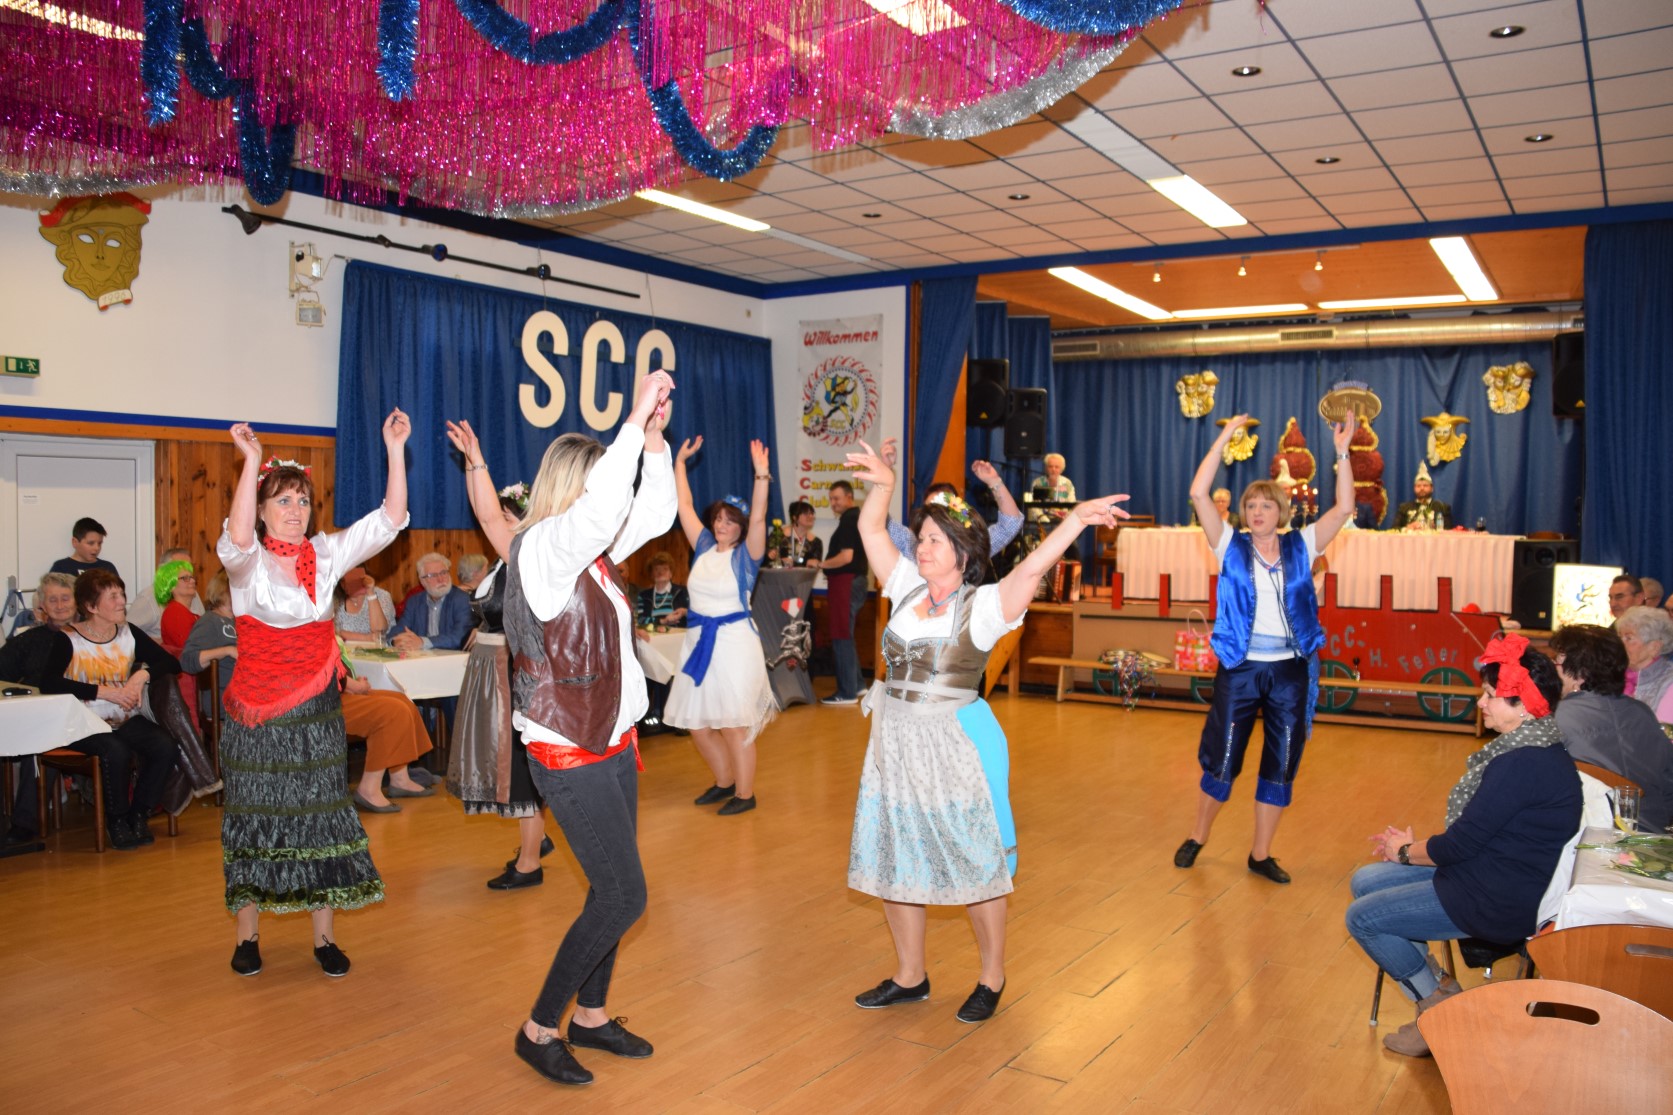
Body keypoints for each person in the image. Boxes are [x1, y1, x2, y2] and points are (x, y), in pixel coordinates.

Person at [843, 439, 1129, 1024]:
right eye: (921, 537)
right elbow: (871, 528)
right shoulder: (906, 586)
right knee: (897, 855)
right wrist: (884, 485)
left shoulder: (987, 605)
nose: (921, 547)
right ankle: (910, 975)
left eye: (934, 540)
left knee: (977, 862)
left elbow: (1033, 566)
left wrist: (1076, 519)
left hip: (954, 745)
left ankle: (991, 976)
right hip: (894, 743)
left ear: (963, 552)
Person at [504, 371, 675, 1087]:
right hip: (568, 749)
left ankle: (593, 1015)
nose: (616, 493)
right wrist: (633, 417)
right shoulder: (546, 545)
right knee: (624, 894)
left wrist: (655, 441)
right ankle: (539, 1027)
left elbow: (656, 513)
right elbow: (605, 509)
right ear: (575, 485)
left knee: (610, 887)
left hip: (611, 742)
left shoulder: (591, 554)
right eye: (604, 479)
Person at [216, 415, 409, 980]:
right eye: (282, 500)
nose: (295, 509)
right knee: (255, 816)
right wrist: (252, 462)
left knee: (320, 816)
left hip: (316, 711)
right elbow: (238, 534)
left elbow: (390, 519)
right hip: (257, 716)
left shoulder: (326, 554)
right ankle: (247, 937)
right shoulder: (246, 561)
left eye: (302, 500)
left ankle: (324, 939)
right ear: (262, 508)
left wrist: (395, 449)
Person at [1348, 634, 1581, 1058]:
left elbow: (1459, 844)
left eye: (1491, 695)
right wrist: (1410, 849)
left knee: (1362, 919)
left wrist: (1406, 851)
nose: (1481, 703)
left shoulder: (1521, 763)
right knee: (1366, 880)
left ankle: (1435, 1008)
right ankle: (1438, 984)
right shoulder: (1534, 745)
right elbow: (1473, 839)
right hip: (1494, 874)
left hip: (1497, 898)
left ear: (1524, 705)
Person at [1174, 415, 1356, 885]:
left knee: (1282, 759)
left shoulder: (1303, 545)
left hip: (1290, 671)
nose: (1257, 512)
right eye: (1250, 505)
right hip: (1241, 668)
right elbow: (1198, 493)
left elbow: (1344, 507)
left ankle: (1260, 854)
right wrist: (1223, 438)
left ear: (1281, 511)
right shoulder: (1228, 545)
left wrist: (1341, 451)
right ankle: (1197, 835)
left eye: (1266, 505)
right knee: (1224, 756)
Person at [442, 418, 554, 890]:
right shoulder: (499, 565)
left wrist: (476, 461)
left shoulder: (525, 559)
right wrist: (472, 464)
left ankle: (530, 863)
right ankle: (535, 843)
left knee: (520, 769)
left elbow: (486, 517)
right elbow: (484, 516)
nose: (497, 522)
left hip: (513, 673)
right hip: (492, 669)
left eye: (509, 517)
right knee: (507, 765)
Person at [665, 436, 775, 815]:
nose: (721, 524)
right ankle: (724, 781)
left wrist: (761, 475)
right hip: (699, 643)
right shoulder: (703, 547)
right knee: (697, 725)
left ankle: (745, 794)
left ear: (740, 527)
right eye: (718, 519)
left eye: (729, 521)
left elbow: (759, 517)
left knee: (733, 725)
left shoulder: (747, 556)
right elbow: (684, 505)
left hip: (733, 644)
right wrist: (680, 464)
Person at [40, 569, 184, 849]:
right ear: (91, 606)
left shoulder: (129, 632)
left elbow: (171, 663)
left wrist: (141, 676)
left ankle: (138, 814)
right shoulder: (68, 638)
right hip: (82, 721)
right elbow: (49, 683)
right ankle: (116, 820)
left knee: (165, 746)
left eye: (121, 594)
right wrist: (104, 692)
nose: (121, 602)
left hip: (123, 717)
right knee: (116, 751)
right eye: (113, 597)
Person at [1549, 624, 1673, 832]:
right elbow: (1668, 781)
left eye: (1558, 661)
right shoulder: (1642, 712)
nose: (1553, 667)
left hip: (1589, 833)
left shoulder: (1557, 716)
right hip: (1651, 834)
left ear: (1581, 674)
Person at [0, 572, 79, 845]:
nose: (59, 605)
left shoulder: (91, 635)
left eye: (65, 598)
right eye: (52, 600)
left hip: (84, 714)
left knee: (41, 742)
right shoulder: (29, 640)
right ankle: (21, 822)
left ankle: (25, 822)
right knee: (37, 738)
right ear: (42, 605)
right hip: (40, 716)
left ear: (77, 601)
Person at [878, 440, 1024, 559]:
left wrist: (994, 482)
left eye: (943, 510)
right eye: (930, 512)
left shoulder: (969, 547)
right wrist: (884, 474)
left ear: (958, 514)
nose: (937, 518)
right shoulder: (912, 545)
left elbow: (1010, 524)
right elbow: (878, 521)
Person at [822, 479, 868, 706]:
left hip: (846, 582)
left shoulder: (850, 519)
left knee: (841, 635)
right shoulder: (853, 518)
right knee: (845, 635)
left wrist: (821, 564)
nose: (833, 503)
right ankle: (857, 685)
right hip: (851, 582)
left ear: (849, 497)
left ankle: (846, 692)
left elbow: (846, 557)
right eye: (831, 499)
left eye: (837, 498)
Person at [635, 552, 688, 736]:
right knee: (654, 674)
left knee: (678, 676)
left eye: (664, 569)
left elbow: (694, 614)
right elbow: (642, 620)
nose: (660, 573)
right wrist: (664, 621)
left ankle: (678, 719)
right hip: (653, 644)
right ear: (651, 573)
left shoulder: (682, 592)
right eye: (656, 570)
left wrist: (684, 612)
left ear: (671, 572)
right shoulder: (644, 595)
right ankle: (656, 716)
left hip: (679, 643)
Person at [388, 553, 473, 652]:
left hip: (451, 658)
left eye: (443, 573)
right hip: (421, 657)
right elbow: (399, 630)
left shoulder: (462, 599)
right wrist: (396, 641)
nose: (440, 579)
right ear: (422, 581)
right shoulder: (414, 602)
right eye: (433, 575)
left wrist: (422, 642)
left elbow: (460, 637)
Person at [155, 556, 201, 729]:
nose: (192, 581)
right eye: (185, 578)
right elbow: (189, 648)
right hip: (185, 680)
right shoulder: (175, 612)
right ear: (171, 586)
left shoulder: (188, 613)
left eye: (192, 577)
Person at [180, 570, 239, 701]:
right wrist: (227, 650)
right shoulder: (210, 621)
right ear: (223, 591)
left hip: (249, 694)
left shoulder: (241, 621)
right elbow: (187, 660)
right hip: (227, 700)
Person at [128, 545, 202, 639]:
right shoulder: (148, 597)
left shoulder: (192, 594)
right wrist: (160, 643)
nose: (190, 578)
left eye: (189, 567)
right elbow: (127, 633)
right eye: (179, 567)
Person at [1617, 605, 1673, 722]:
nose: (1619, 644)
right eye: (1620, 637)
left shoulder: (1669, 682)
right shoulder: (1612, 675)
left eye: (1629, 638)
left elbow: (1664, 729)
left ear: (1654, 647)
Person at [334, 568, 394, 645]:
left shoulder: (382, 595)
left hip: (379, 649)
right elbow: (335, 631)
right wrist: (367, 638)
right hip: (347, 650)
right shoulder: (337, 600)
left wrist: (371, 593)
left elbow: (379, 630)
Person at [49, 516, 120, 579]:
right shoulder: (61, 567)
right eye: (91, 543)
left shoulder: (107, 568)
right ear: (75, 542)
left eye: (99, 543)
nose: (97, 548)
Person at [1393, 462, 1452, 530]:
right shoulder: (1404, 508)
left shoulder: (1442, 507)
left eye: (1425, 485)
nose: (1422, 488)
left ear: (1432, 488)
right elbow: (1394, 529)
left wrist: (1435, 528)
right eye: (1418, 486)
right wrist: (1408, 527)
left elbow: (1448, 530)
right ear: (1414, 488)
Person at [768, 500, 822, 569]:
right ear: (795, 517)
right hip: (779, 575)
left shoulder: (816, 542)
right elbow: (768, 559)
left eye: (812, 513)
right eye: (806, 513)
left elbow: (815, 565)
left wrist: (798, 561)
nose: (811, 516)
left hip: (803, 576)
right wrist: (805, 562)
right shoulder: (778, 534)